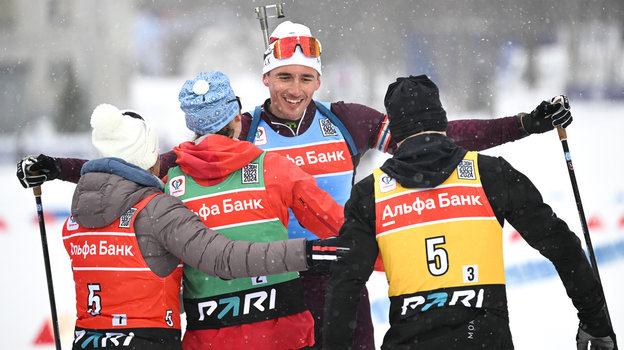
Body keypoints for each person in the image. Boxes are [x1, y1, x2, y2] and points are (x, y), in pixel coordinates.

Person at [16, 21, 573, 349]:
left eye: (306, 79)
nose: (295, 89)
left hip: (343, 279)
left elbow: (435, 135)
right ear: (266, 79)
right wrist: (60, 167)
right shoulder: (245, 130)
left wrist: (523, 124)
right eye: (285, 77)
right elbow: (144, 170)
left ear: (319, 81)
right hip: (275, 286)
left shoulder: (347, 121)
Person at [322, 75, 617, 349]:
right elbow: (562, 246)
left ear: (395, 134)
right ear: (442, 121)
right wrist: (596, 322)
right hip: (484, 338)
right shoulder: (490, 174)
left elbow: (344, 287)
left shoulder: (369, 194)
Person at [39, 103, 343, 350]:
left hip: (87, 340)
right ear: (147, 157)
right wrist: (308, 252)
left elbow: (138, 281)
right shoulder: (158, 210)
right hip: (148, 342)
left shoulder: (75, 223)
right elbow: (223, 258)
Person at [168, 70, 345, 349]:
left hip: (209, 339)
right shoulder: (274, 169)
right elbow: (339, 226)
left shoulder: (171, 187)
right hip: (283, 336)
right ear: (237, 117)